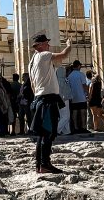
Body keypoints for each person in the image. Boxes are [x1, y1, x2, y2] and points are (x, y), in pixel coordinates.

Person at [28, 33, 73, 174]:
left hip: (40, 98)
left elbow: (32, 84)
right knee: (48, 133)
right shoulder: (43, 55)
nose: (49, 45)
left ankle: (40, 165)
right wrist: (69, 45)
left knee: (42, 134)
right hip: (47, 100)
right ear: (40, 45)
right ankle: (45, 164)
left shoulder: (32, 61)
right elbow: (63, 55)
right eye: (46, 43)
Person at [64, 62, 89, 135]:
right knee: (83, 112)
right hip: (81, 96)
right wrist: (87, 93)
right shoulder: (81, 74)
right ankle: (83, 127)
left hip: (73, 97)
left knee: (74, 113)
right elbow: (84, 85)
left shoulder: (70, 76)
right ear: (78, 66)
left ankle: (75, 127)